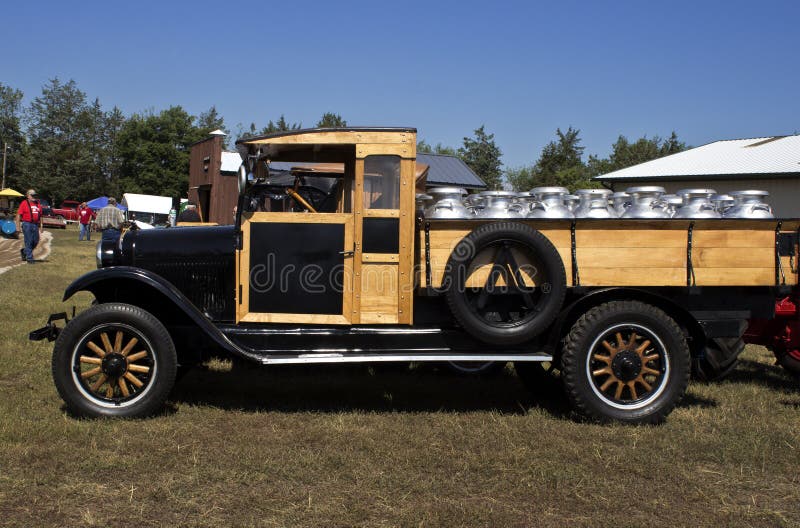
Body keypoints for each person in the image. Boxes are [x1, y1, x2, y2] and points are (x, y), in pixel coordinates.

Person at [15, 189, 43, 264]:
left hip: (35, 225)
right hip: (27, 224)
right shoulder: (24, 203)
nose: (34, 197)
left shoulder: (38, 204)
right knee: (29, 241)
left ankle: (24, 251)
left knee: (35, 241)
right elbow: (18, 215)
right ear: (28, 196)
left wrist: (41, 226)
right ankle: (30, 258)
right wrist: (17, 227)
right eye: (32, 195)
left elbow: (40, 216)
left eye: (35, 195)